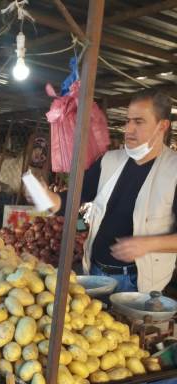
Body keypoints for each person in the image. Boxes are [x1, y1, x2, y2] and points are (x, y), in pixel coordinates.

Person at [43, 90, 177, 293]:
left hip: (136, 283)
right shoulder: (109, 161)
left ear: (162, 126)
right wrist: (49, 199)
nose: (128, 129)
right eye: (127, 121)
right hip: (94, 271)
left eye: (139, 122)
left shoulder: (173, 171)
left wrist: (148, 244)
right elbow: (74, 199)